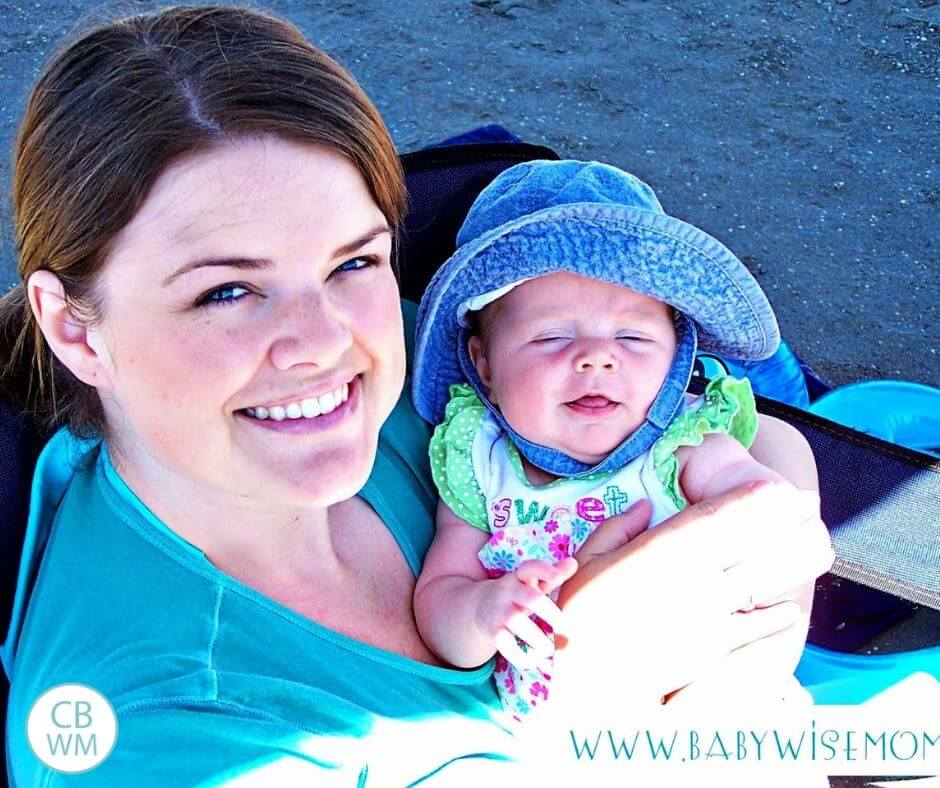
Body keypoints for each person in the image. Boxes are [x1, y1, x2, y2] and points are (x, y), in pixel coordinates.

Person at [0, 5, 833, 784]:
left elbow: (764, 441)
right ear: (76, 331)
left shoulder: (418, 383)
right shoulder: (151, 733)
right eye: (226, 292)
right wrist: (602, 718)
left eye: (352, 262)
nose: (327, 342)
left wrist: (762, 588)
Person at [411, 159, 814, 719]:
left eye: (632, 336)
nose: (597, 356)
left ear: (677, 357)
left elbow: (769, 513)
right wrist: (482, 611)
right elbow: (439, 598)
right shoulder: (478, 462)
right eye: (551, 336)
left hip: (709, 704)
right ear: (484, 366)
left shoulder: (683, 444)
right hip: (548, 743)